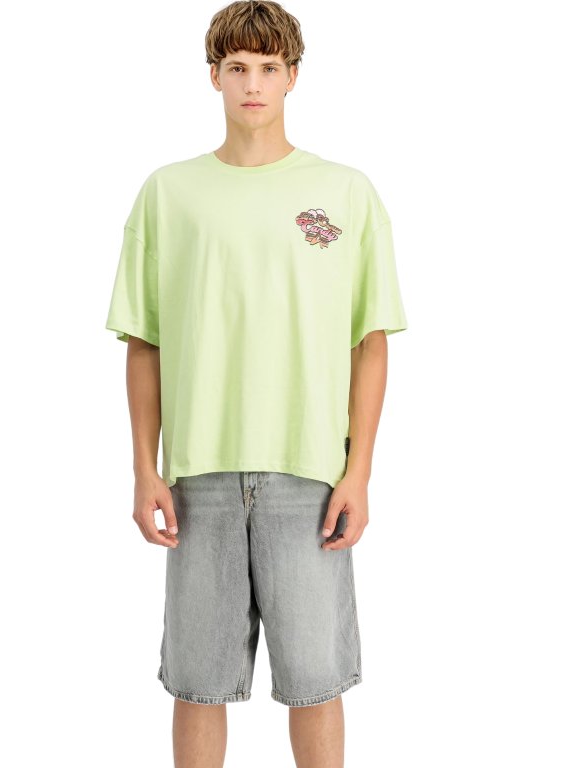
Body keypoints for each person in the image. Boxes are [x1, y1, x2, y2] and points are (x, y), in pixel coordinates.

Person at [104, 2, 408, 765]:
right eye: (237, 67)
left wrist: (359, 474)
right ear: (213, 75)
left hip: (310, 475)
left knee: (315, 682)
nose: (252, 84)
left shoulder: (345, 192)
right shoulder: (169, 194)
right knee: (198, 684)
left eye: (269, 68)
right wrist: (144, 468)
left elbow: (369, 342)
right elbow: (144, 341)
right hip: (199, 474)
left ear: (293, 76)